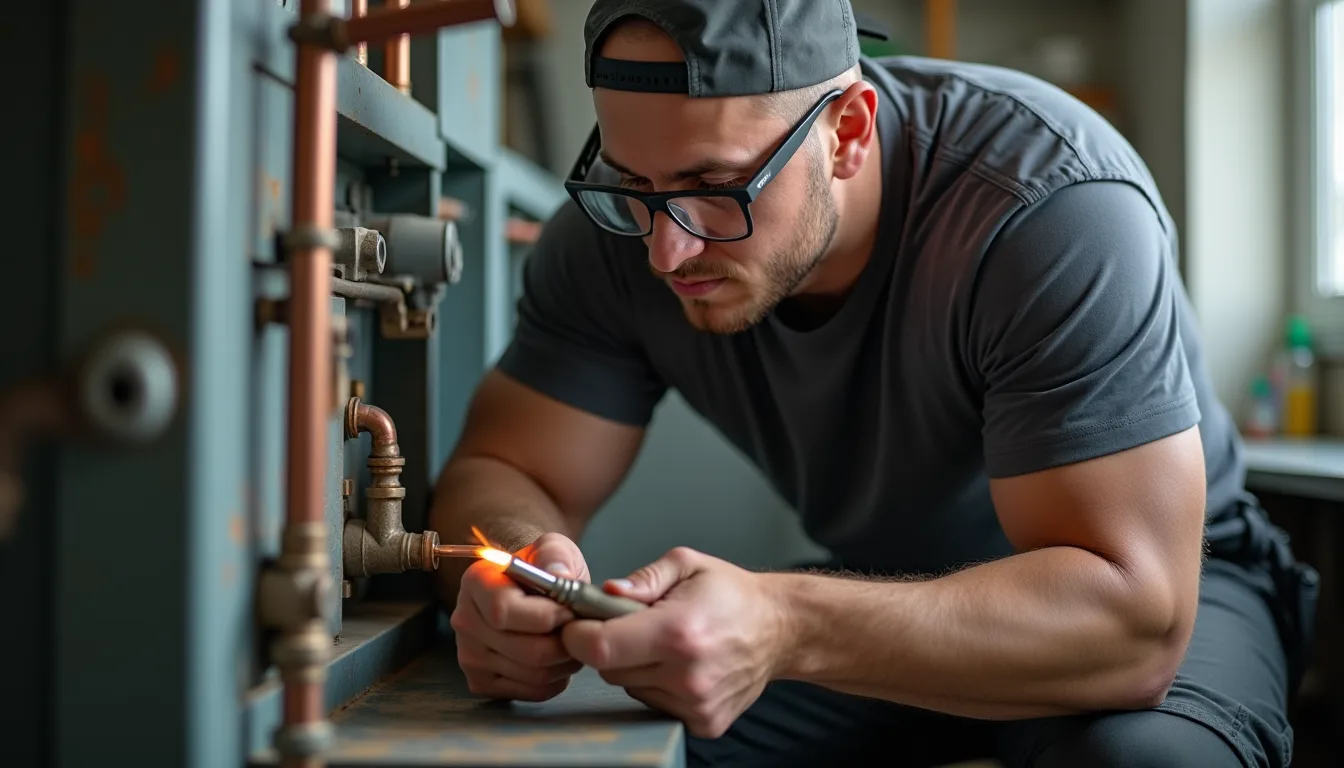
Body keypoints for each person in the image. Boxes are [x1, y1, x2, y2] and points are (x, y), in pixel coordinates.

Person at [429, 1, 1319, 766]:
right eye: (634, 186)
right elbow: (508, 468)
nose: (670, 249)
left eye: (715, 186)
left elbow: (1135, 624)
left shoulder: (1051, 208)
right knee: (579, 737)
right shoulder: (620, 240)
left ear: (847, 131)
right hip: (881, 591)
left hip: (1161, 594)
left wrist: (787, 623)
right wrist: (519, 573)